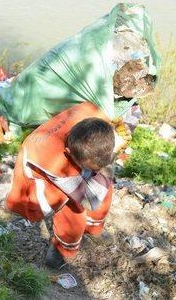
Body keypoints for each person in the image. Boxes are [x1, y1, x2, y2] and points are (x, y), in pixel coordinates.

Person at [6, 102, 115, 269]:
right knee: (72, 205)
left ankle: (94, 228)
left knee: (104, 182)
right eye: (89, 167)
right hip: (41, 174)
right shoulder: (54, 162)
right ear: (70, 153)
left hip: (72, 157)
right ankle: (63, 248)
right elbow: (89, 200)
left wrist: (102, 172)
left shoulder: (94, 115)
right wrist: (104, 175)